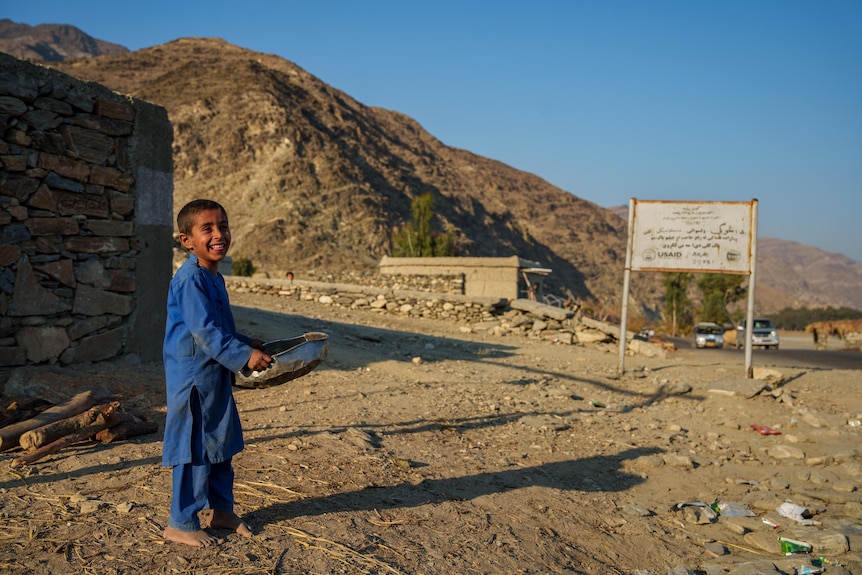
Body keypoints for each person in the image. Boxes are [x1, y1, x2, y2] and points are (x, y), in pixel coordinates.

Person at [162, 199, 272, 547]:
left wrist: (245, 342)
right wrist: (243, 355)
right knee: (194, 449)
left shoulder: (213, 276)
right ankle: (180, 521)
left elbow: (219, 328)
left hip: (215, 376)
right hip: (193, 379)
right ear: (186, 240)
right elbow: (205, 334)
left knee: (221, 444)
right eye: (206, 228)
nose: (218, 234)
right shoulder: (190, 279)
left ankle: (222, 510)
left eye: (222, 225)